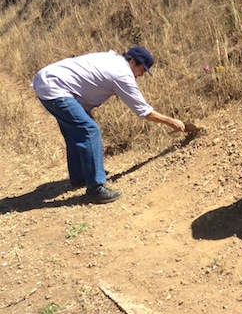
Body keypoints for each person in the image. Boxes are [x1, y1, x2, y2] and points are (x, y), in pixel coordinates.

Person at [31, 46, 186, 203]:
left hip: (48, 82)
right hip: (55, 88)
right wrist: (171, 121)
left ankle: (80, 177)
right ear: (132, 62)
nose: (141, 75)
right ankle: (95, 189)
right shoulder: (122, 74)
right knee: (89, 130)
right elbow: (144, 111)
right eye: (142, 70)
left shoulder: (112, 59)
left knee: (75, 132)